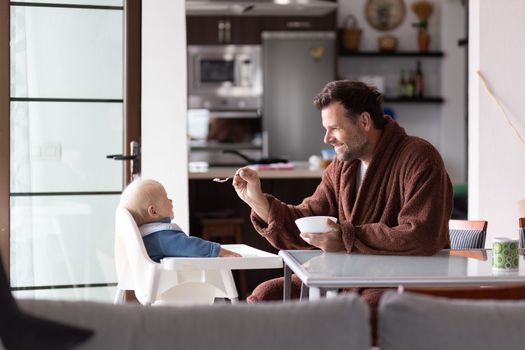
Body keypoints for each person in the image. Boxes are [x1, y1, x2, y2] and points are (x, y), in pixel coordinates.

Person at [232, 80, 453, 338]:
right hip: (344, 280)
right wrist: (257, 201)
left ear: (365, 122)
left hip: (397, 282)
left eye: (334, 128)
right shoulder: (342, 168)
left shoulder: (419, 158)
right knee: (266, 296)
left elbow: (421, 234)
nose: (327, 138)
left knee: (360, 315)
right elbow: (308, 219)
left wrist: (346, 237)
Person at [120, 178, 240, 261]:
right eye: (166, 198)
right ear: (153, 212)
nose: (171, 201)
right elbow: (191, 246)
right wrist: (218, 251)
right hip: (171, 286)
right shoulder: (161, 236)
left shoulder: (146, 236)